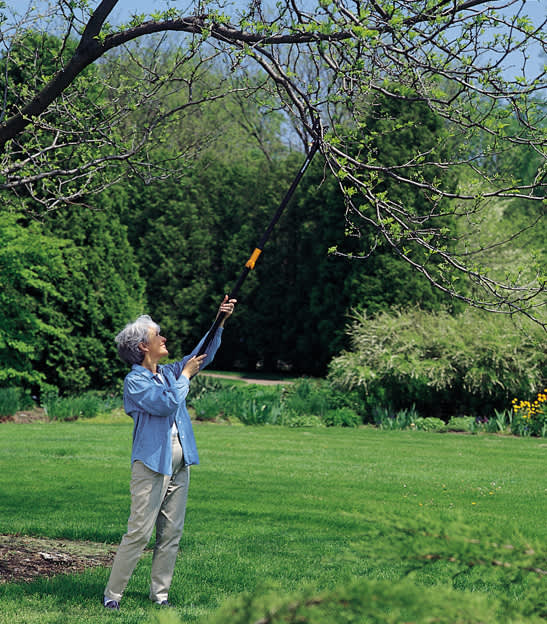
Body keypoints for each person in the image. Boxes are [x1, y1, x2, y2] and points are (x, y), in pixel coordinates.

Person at [102, 295, 236, 610]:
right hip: (151, 465)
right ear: (142, 347)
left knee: (171, 534)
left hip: (179, 462)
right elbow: (165, 404)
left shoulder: (167, 373)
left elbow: (200, 354)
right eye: (156, 335)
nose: (163, 338)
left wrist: (219, 321)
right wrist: (186, 377)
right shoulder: (135, 382)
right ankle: (112, 596)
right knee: (139, 532)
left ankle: (159, 595)